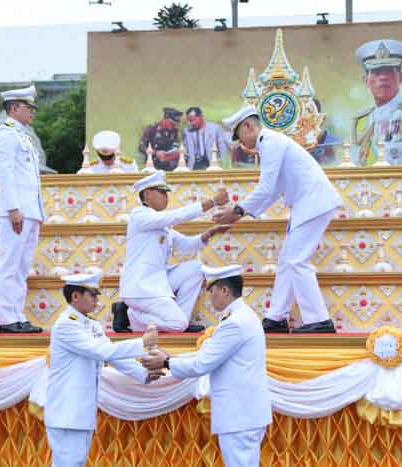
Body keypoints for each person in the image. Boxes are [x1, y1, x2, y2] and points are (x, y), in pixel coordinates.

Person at [213, 105, 342, 333]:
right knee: (287, 261)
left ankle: (319, 321)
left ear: (248, 126)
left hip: (313, 202)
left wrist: (237, 211)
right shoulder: (269, 144)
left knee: (296, 261)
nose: (239, 142)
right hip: (307, 205)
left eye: (238, 135)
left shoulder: (271, 142)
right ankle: (275, 319)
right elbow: (271, 192)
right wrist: (240, 213)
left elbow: (265, 189)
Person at [142, 265, 272, 467]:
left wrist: (166, 362)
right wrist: (172, 357)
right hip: (243, 414)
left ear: (225, 291)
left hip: (239, 415)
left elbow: (203, 363)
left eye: (212, 291)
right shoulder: (240, 317)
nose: (210, 297)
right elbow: (208, 356)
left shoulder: (235, 323)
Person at [45, 271, 160, 467]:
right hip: (67, 412)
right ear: (75, 296)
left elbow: (113, 356)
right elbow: (102, 351)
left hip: (80, 411)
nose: (97, 300)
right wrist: (142, 342)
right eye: (93, 294)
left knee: (76, 462)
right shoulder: (66, 325)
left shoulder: (90, 324)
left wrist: (144, 374)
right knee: (68, 463)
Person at [117, 170, 230, 333]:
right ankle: (133, 317)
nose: (166, 196)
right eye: (162, 192)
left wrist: (211, 232)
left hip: (157, 282)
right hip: (140, 287)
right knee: (177, 324)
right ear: (147, 194)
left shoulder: (162, 225)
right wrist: (212, 202)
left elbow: (187, 245)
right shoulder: (139, 215)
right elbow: (174, 217)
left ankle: (180, 319)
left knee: (197, 269)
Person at [0, 85, 44, 333]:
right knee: (9, 264)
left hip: (30, 211)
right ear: (14, 108)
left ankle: (16, 314)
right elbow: (6, 173)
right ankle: (6, 318)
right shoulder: (5, 133)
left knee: (22, 266)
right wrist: (13, 208)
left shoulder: (24, 135)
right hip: (16, 211)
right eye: (28, 107)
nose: (32, 111)